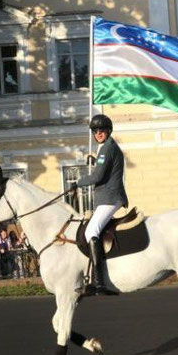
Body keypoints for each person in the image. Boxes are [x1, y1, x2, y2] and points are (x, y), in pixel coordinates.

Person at [70, 114, 127, 296]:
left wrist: (76, 183)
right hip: (107, 198)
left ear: (108, 131)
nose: (98, 133)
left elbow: (98, 177)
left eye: (101, 130)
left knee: (90, 232)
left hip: (110, 198)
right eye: (95, 131)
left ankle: (99, 281)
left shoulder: (107, 148)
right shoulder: (105, 147)